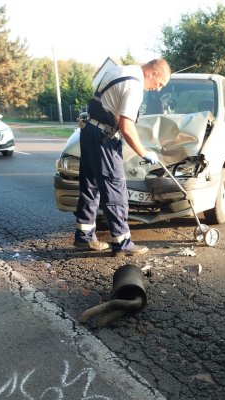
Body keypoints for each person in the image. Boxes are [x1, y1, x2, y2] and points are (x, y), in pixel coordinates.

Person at [73, 58, 171, 256]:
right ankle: (122, 242)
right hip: (103, 138)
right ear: (152, 73)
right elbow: (127, 126)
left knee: (90, 185)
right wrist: (144, 152)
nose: (158, 89)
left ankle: (84, 236)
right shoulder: (135, 86)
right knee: (114, 187)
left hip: (89, 130)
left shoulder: (120, 70)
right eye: (160, 84)